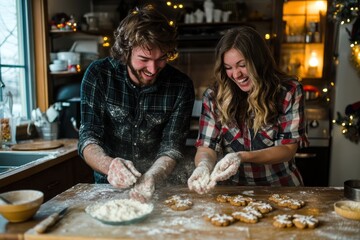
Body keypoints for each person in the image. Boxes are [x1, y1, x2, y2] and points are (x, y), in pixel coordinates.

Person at [78, 5, 195, 202]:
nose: (153, 68)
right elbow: (88, 138)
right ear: (126, 51)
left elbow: (171, 147)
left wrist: (152, 176)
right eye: (144, 59)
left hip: (159, 186)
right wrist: (110, 166)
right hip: (108, 187)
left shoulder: (181, 86)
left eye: (161, 59)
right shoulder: (99, 75)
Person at [187, 26, 308, 194]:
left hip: (280, 188)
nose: (236, 74)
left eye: (242, 65)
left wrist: (241, 156)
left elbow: (287, 149)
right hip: (231, 191)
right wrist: (204, 165)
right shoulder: (214, 96)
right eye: (228, 67)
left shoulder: (288, 91)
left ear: (258, 60)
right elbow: (206, 147)